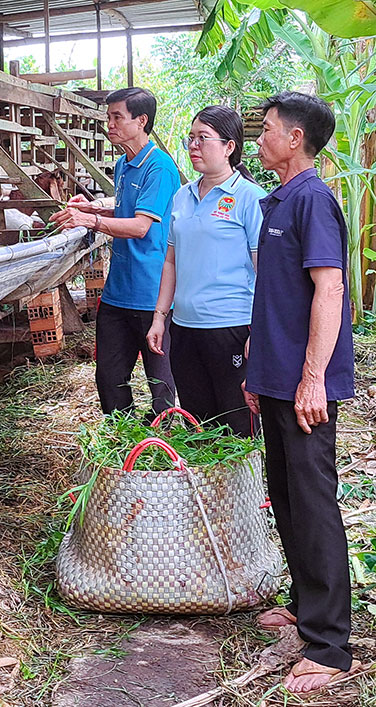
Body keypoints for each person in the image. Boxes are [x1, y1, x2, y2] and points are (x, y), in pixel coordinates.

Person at [242, 92, 359, 694]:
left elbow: (329, 291)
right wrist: (259, 375)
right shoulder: (278, 200)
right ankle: (302, 599)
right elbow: (275, 301)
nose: (258, 138)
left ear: (294, 140)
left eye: (265, 130)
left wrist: (312, 377)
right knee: (285, 497)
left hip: (306, 385)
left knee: (313, 503)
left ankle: (331, 645)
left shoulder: (312, 199)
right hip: (279, 379)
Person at [51, 87, 180, 418]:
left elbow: (140, 227)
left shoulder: (160, 168)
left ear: (141, 121)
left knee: (161, 383)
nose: (109, 124)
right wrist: (92, 209)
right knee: (108, 377)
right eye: (108, 117)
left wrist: (90, 220)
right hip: (118, 293)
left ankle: (163, 444)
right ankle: (123, 439)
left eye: (116, 117)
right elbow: (125, 213)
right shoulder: (124, 163)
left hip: (152, 295)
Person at [145, 106, 265, 436]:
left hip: (232, 328)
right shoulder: (182, 197)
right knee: (199, 424)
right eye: (191, 138)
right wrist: (160, 318)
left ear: (230, 146)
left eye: (203, 138)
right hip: (184, 329)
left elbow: (265, 271)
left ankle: (244, 488)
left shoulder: (250, 198)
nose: (194, 145)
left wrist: (260, 331)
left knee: (238, 425)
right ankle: (206, 487)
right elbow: (170, 261)